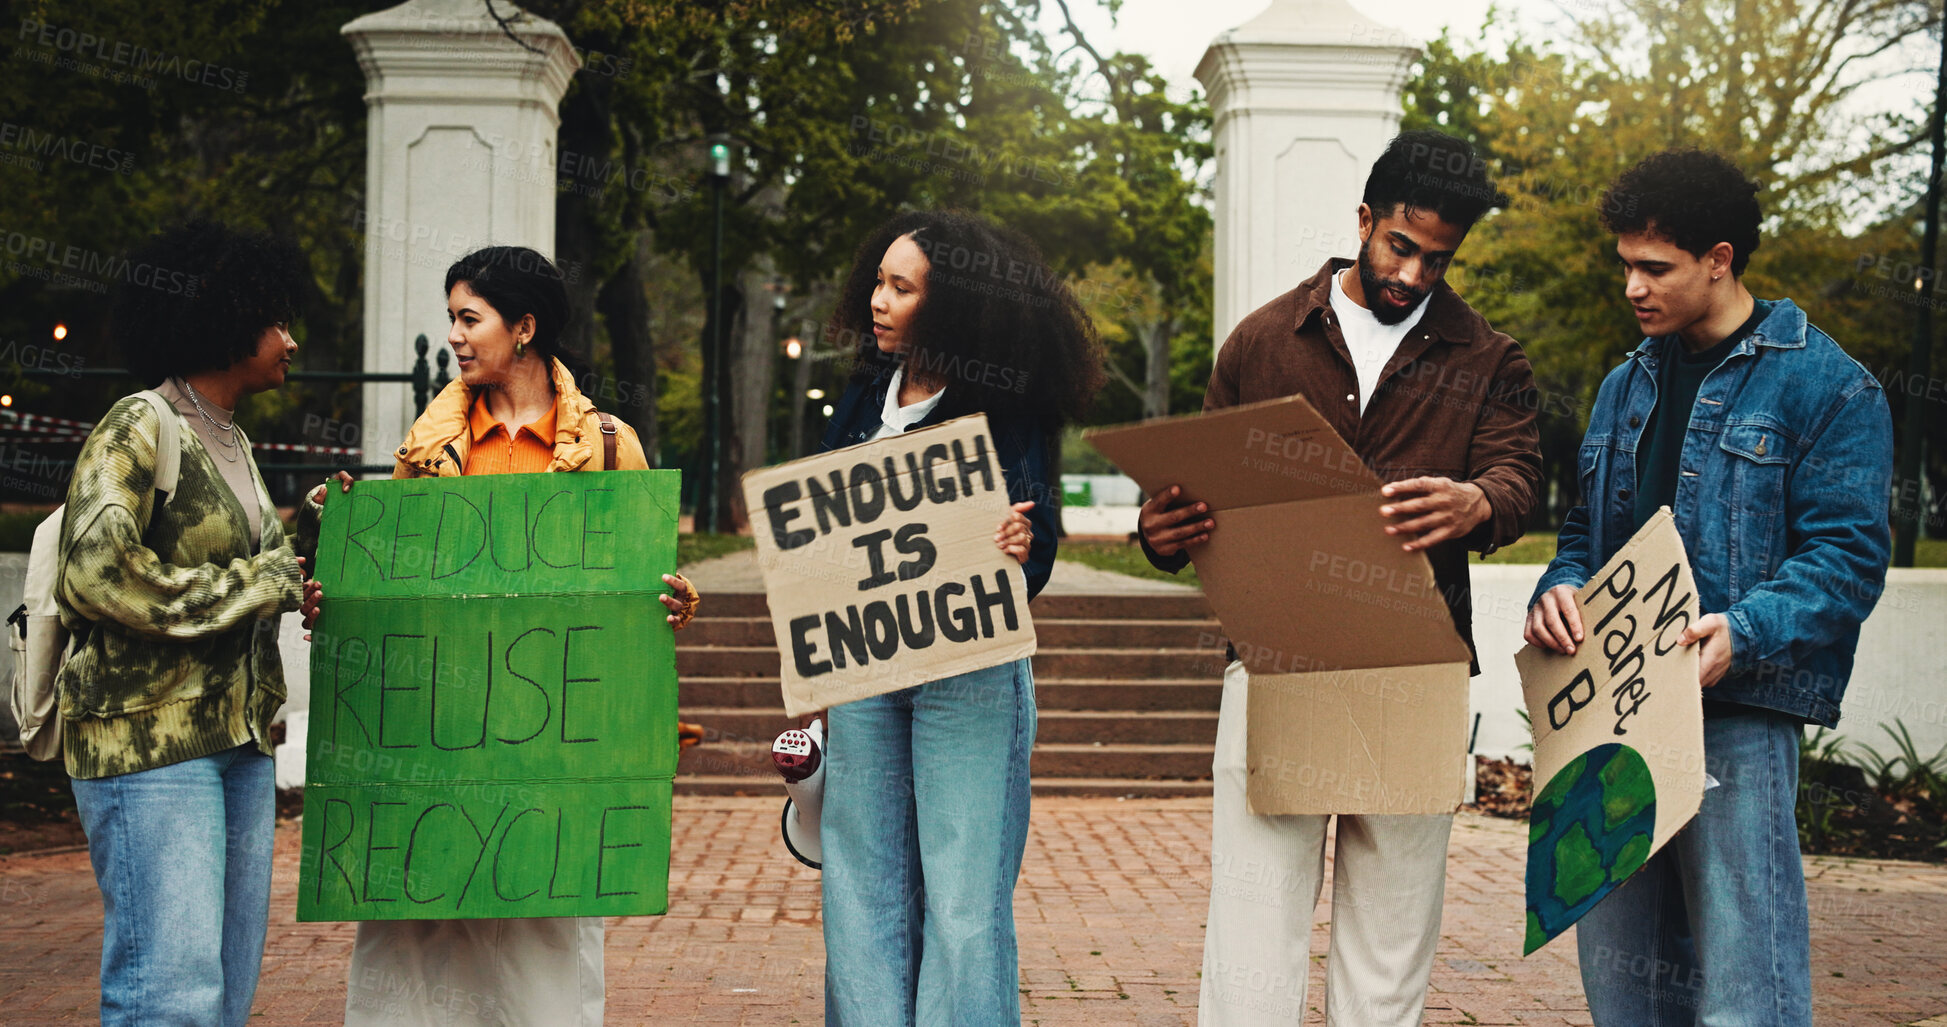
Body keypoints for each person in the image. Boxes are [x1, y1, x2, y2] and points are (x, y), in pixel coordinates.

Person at [1138, 129, 1541, 1025]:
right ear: (1363, 220)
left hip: (1414, 666)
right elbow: (1196, 491)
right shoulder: (1259, 342)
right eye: (1400, 246)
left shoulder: (1490, 358)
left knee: (1390, 942)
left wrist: (1476, 501)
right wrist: (1158, 532)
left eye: (1437, 259)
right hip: (1274, 659)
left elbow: (1519, 477)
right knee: (1250, 931)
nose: (1412, 274)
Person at [1523, 149, 1893, 1025]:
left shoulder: (1828, 386)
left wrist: (1744, 629)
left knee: (1744, 987)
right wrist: (1559, 586)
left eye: (1654, 268)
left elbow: (1846, 557)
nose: (1632, 287)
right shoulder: (1624, 384)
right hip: (1610, 717)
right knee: (1623, 990)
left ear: (1719, 260)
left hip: (1736, 714)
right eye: (1625, 265)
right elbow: (1583, 531)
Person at [298, 245, 698, 1026]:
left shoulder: (608, 444)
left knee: (542, 945)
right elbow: (402, 592)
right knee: (421, 936)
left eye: (469, 317)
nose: (453, 334)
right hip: (441, 736)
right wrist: (343, 593)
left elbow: (638, 587)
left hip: (552, 749)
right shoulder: (425, 448)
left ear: (523, 327)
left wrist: (674, 599)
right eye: (450, 318)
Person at [815, 209, 1102, 1025]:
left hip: (968, 671)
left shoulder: (1007, 403)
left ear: (951, 307)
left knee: (964, 896)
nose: (878, 300)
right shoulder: (862, 393)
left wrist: (1019, 542)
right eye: (878, 282)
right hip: (864, 664)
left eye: (901, 288)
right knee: (859, 882)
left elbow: (1037, 545)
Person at [57, 220, 307, 1026]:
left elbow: (253, 575)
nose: (291, 342)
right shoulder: (140, 423)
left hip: (237, 739)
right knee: (169, 994)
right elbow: (97, 571)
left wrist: (296, 563)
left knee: (223, 995)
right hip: (147, 741)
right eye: (277, 321)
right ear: (227, 319)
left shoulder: (231, 438)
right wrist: (257, 582)